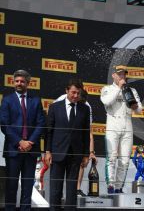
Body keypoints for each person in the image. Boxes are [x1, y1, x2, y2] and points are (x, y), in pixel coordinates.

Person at [0, 70, 45, 211]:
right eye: (17, 81)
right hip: (14, 150)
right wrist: (20, 142)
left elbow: (40, 123)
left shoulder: (36, 100)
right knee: (11, 187)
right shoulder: (7, 100)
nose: (19, 83)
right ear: (14, 82)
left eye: (22, 81)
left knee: (27, 188)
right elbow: (4, 125)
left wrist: (29, 142)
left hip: (31, 151)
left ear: (28, 83)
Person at [45, 79, 90, 211]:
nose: (76, 96)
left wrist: (86, 154)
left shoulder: (85, 109)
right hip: (57, 153)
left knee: (71, 191)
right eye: (73, 92)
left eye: (78, 93)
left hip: (75, 154)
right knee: (55, 189)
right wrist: (48, 151)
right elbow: (49, 131)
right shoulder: (54, 107)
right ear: (66, 91)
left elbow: (86, 133)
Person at [101, 65, 142, 193]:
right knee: (112, 158)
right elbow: (107, 102)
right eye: (119, 74)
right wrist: (119, 88)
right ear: (113, 75)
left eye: (124, 74)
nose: (122, 76)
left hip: (127, 124)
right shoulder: (107, 89)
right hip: (113, 124)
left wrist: (135, 105)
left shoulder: (132, 90)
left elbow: (139, 110)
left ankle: (119, 187)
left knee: (124, 160)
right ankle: (111, 186)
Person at [55, 88, 96, 197]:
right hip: (62, 136)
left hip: (76, 136)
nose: (79, 104)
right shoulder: (61, 100)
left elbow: (88, 132)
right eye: (78, 101)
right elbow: (51, 117)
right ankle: (59, 193)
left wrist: (90, 152)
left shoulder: (86, 107)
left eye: (82, 102)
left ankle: (77, 189)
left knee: (81, 159)